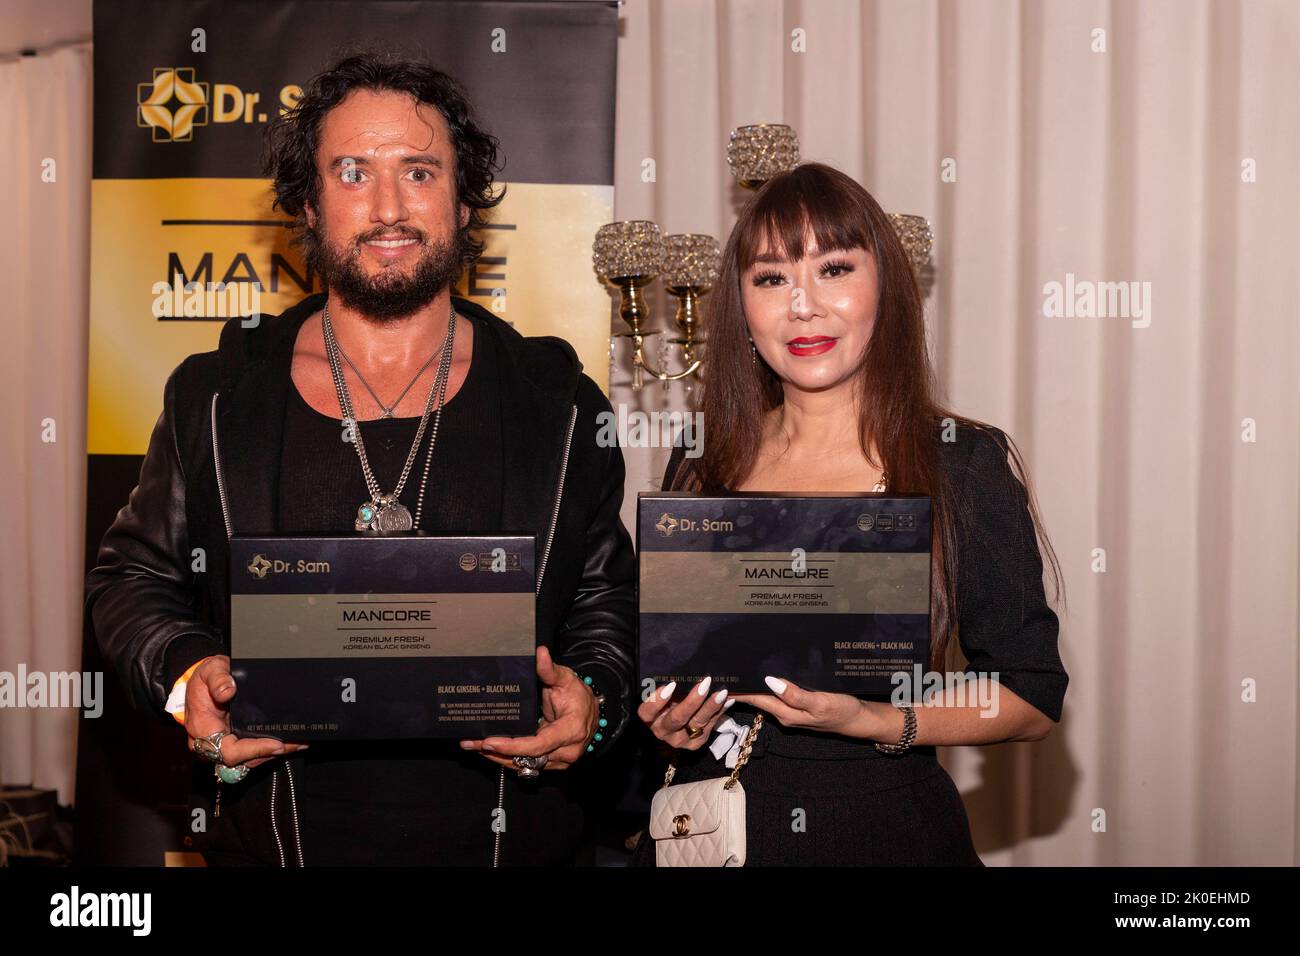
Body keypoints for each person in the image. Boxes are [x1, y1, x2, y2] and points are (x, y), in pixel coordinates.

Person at [85, 51, 637, 866]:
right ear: (307, 204)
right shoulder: (215, 396)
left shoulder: (556, 403)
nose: (388, 208)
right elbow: (131, 581)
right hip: (276, 846)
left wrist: (592, 697)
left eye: (419, 171)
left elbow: (606, 598)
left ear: (461, 198)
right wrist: (186, 671)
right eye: (351, 172)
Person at [631, 162, 1069, 866]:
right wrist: (672, 723)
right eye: (771, 277)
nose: (803, 306)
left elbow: (1031, 697)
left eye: (833, 269)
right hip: (709, 827)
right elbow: (674, 662)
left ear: (885, 290)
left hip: (882, 830)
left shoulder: (960, 462)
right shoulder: (701, 458)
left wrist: (875, 719)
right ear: (740, 306)